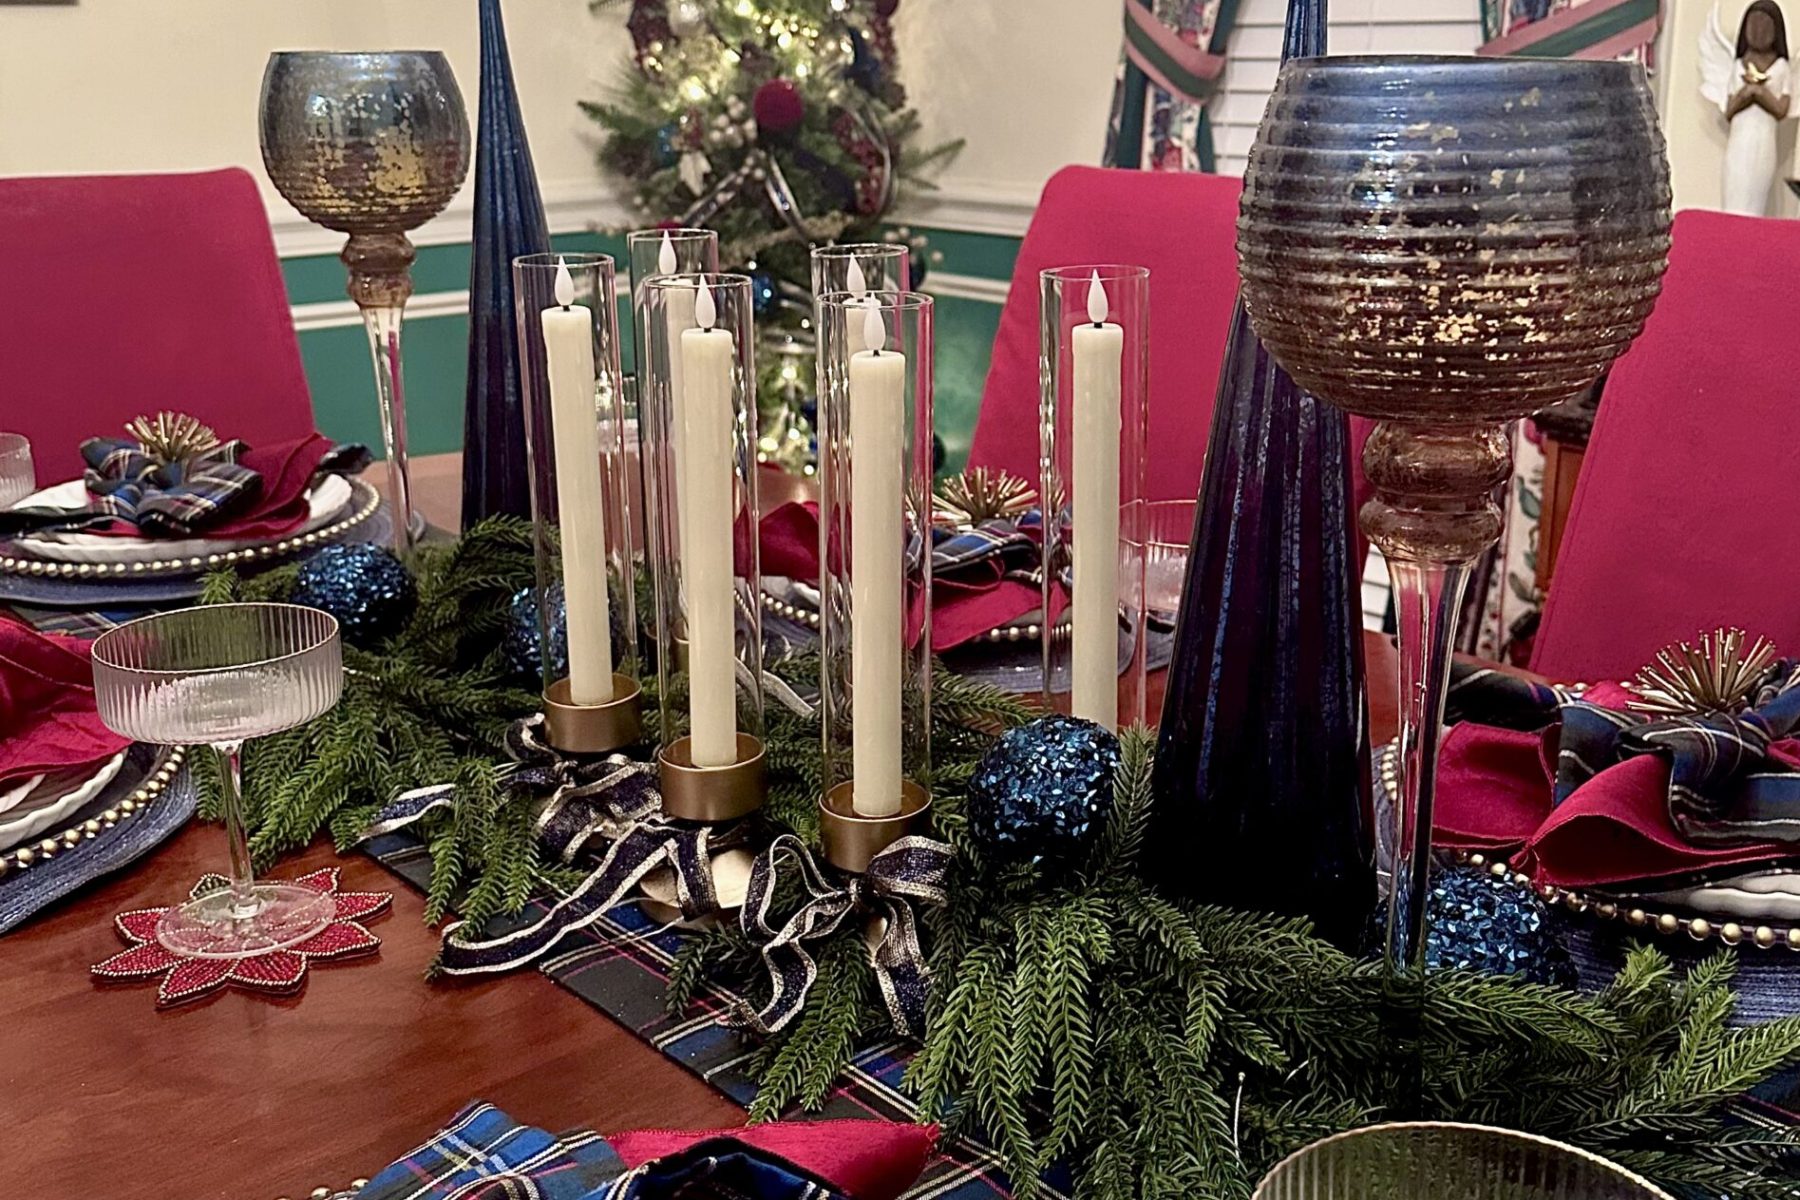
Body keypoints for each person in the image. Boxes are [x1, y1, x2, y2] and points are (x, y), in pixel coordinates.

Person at [1702, 1, 1793, 216]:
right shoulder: (1738, 66)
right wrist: (1745, 94)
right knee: (1733, 197)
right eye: (1754, 24)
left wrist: (1760, 93)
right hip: (1739, 142)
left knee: (1755, 201)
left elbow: (1781, 109)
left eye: (1765, 25)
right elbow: (1729, 110)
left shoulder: (1781, 69)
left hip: (1763, 142)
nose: (1759, 31)